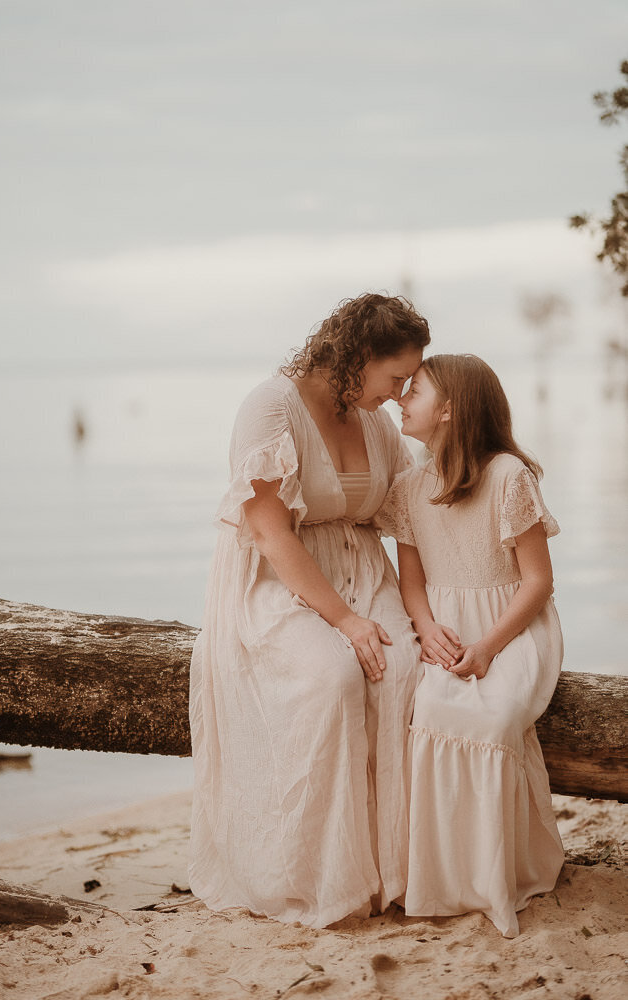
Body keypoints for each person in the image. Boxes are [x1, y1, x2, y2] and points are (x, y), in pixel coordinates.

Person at [189, 293, 430, 928]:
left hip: (362, 569)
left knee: (405, 670)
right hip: (280, 577)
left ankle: (395, 872)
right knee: (333, 678)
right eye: (396, 376)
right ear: (358, 357)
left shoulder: (375, 420)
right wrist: (345, 623)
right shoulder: (270, 407)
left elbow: (412, 516)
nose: (402, 393)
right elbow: (271, 534)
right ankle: (316, 874)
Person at [376, 354, 565, 938]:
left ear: (450, 409)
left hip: (512, 627)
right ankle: (444, 880)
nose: (400, 400)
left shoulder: (508, 476)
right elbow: (411, 580)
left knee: (494, 718)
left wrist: (486, 647)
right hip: (448, 627)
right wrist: (428, 628)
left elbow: (538, 582)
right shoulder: (409, 487)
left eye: (415, 391)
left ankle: (497, 876)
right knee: (432, 710)